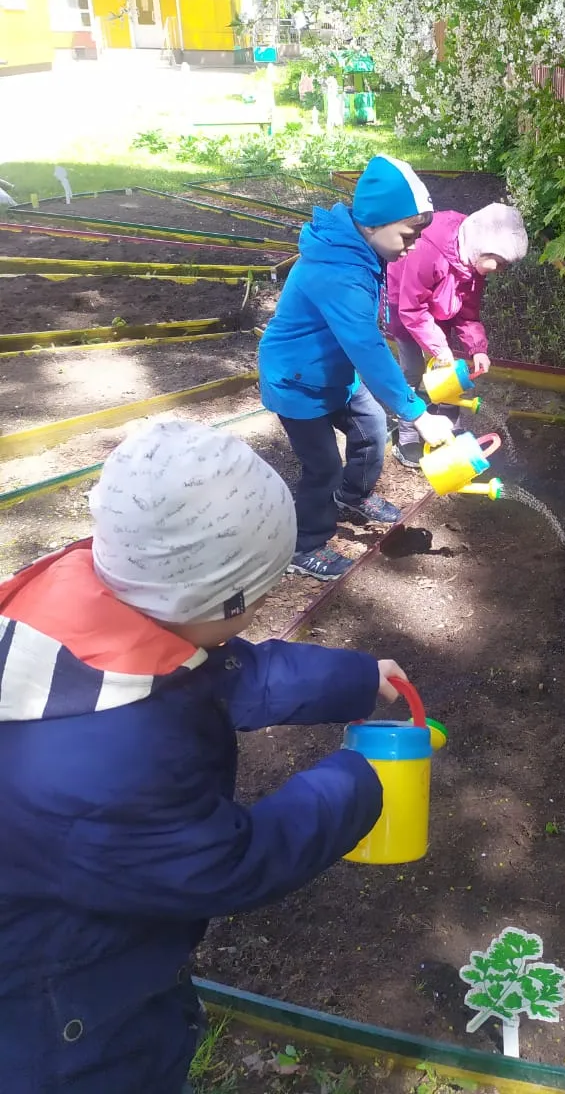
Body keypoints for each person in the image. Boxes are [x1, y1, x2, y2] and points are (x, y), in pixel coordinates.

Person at [0, 420, 409, 1094]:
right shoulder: (107, 767)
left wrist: (357, 678)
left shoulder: (98, 602)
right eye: (257, 598)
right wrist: (357, 781)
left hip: (78, 933)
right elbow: (226, 863)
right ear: (215, 601)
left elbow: (230, 675)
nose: (259, 615)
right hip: (58, 1020)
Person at [258, 154, 456, 582]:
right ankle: (304, 544)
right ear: (373, 224)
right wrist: (418, 413)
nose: (414, 244)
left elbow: (361, 338)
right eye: (409, 233)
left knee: (369, 429)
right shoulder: (339, 271)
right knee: (323, 466)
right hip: (297, 381)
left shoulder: (363, 250)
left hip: (334, 373)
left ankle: (354, 494)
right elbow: (367, 345)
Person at [386, 202, 529, 466]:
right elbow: (412, 309)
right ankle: (407, 437)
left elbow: (468, 310)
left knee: (448, 372)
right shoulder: (429, 250)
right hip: (405, 307)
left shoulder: (473, 258)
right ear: (484, 249)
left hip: (440, 304)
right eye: (498, 264)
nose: (499, 272)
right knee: (412, 371)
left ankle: (449, 428)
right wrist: (440, 349)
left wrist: (478, 348)